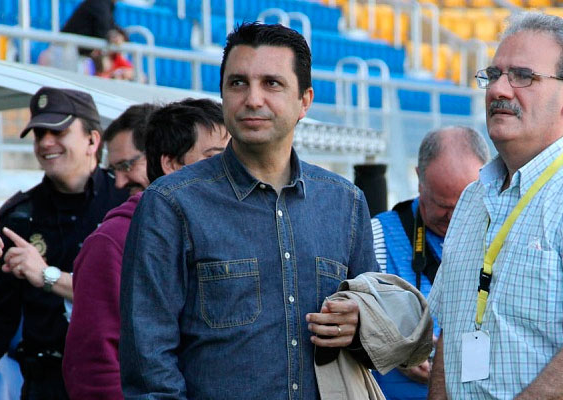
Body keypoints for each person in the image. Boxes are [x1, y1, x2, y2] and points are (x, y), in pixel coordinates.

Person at [119, 22, 379, 399]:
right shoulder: (171, 203)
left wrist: (360, 328)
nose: (252, 98)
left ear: (305, 100)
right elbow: (149, 360)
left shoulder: (345, 203)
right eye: (238, 83)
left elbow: (373, 330)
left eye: (272, 83)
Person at [428, 11, 563, 399]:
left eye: (523, 76)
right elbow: (452, 333)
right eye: (493, 74)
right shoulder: (472, 199)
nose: (499, 90)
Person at [0, 86, 128, 400]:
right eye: (39, 134)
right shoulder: (19, 217)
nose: (46, 143)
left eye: (58, 131)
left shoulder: (124, 202)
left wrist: (46, 275)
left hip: (110, 382)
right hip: (44, 384)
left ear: (93, 140)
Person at [62, 98, 229, 400]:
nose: (231, 170)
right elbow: (94, 367)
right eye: (215, 157)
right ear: (171, 164)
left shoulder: (238, 229)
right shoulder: (112, 241)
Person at [370, 126, 489, 400]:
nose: (455, 217)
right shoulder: (376, 235)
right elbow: (353, 323)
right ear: (419, 182)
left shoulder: (503, 236)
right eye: (444, 207)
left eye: (466, 203)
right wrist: (396, 352)